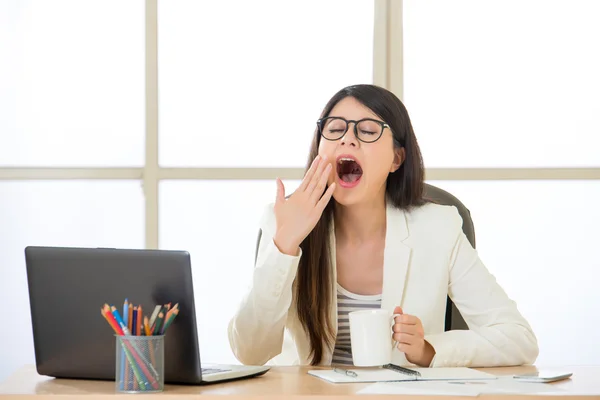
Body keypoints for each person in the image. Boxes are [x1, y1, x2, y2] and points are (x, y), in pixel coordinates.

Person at [228, 84, 539, 368]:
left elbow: (519, 339)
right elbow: (250, 352)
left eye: (368, 131)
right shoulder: (281, 219)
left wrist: (429, 349)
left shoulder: (438, 228)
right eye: (335, 129)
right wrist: (284, 246)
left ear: (397, 159)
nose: (348, 138)